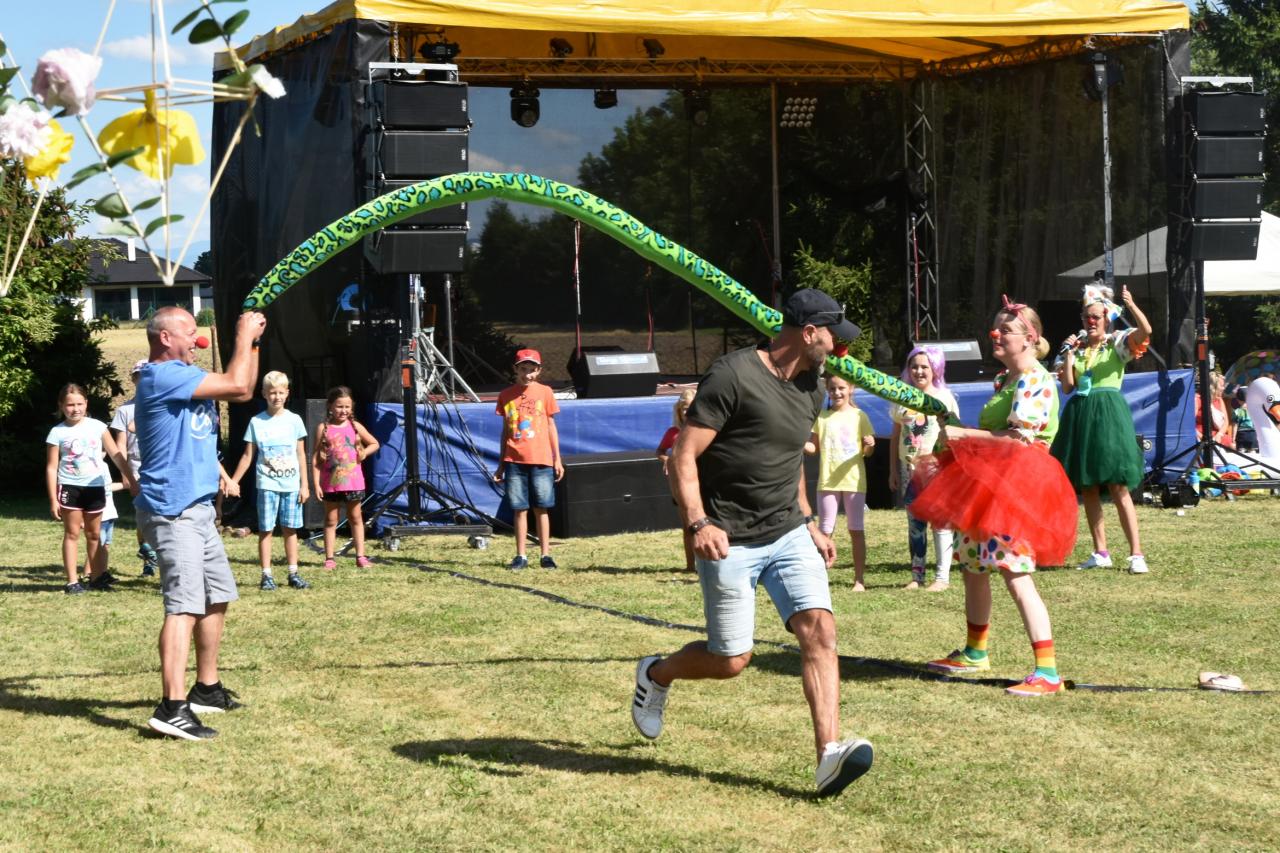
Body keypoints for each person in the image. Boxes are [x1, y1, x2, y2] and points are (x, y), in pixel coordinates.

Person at [631, 288, 874, 798]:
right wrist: (699, 523)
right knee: (730, 660)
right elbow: (683, 457)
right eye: (833, 338)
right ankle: (657, 673)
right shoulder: (733, 375)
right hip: (730, 538)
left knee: (820, 633)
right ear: (808, 333)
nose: (839, 349)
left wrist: (808, 521)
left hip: (787, 531)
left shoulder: (811, 386)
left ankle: (828, 756)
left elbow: (790, 459)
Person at [911, 298, 1077, 697]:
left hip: (1016, 488)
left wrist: (965, 434)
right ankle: (975, 651)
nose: (995, 335)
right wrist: (955, 429)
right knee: (973, 565)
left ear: (1030, 338)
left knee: (1015, 572)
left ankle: (1048, 671)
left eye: (1006, 330)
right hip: (989, 485)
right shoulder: (1007, 379)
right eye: (995, 328)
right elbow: (996, 434)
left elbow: (1020, 441)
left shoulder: (1035, 380)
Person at [136, 306, 265, 740]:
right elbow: (236, 383)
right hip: (173, 510)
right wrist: (241, 334)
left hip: (199, 508)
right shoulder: (162, 376)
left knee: (216, 597)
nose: (197, 339)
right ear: (165, 338)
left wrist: (253, 343)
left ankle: (206, 688)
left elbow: (243, 391)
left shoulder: (185, 375)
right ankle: (171, 707)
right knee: (184, 606)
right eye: (189, 332)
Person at [1051, 284, 1153, 575]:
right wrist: (1069, 355)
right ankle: (1100, 551)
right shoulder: (1077, 348)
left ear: (1107, 318)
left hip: (1108, 415)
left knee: (1118, 484)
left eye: (1096, 316)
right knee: (1088, 486)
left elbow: (1145, 331)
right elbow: (1068, 387)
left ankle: (1136, 554)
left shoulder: (1116, 342)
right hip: (1081, 414)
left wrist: (1131, 305)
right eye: (1087, 317)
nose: (1091, 321)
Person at [45, 383, 134, 594]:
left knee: (94, 535)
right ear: (61, 406)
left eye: (79, 404)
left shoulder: (98, 427)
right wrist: (53, 499)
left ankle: (95, 578)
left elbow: (116, 455)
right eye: (70, 405)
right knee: (72, 533)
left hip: (95, 488)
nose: (75, 409)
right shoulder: (57, 432)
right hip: (70, 488)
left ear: (86, 403)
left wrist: (131, 479)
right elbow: (51, 467)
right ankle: (72, 582)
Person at [230, 371, 311, 591]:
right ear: (264, 394)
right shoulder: (257, 422)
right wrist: (233, 480)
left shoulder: (295, 420)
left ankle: (293, 573)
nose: (277, 397)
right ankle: (266, 575)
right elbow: (248, 456)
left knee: (290, 529)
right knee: (266, 529)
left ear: (287, 393)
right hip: (267, 485)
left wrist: (304, 485)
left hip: (291, 485)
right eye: (272, 393)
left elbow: (301, 454)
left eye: (280, 392)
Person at [887, 345, 958, 591]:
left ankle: (942, 577)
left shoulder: (944, 398)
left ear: (935, 369)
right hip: (909, 470)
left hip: (936, 470)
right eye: (914, 366)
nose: (919, 371)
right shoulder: (902, 398)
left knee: (940, 522)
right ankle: (917, 576)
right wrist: (893, 470)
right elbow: (895, 436)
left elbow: (954, 433)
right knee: (915, 524)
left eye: (924, 367)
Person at [494, 349, 564, 570]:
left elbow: (551, 425)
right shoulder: (506, 395)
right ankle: (521, 555)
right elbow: (506, 431)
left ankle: (545, 555)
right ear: (515, 370)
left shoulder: (545, 392)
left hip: (541, 459)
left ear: (539, 371)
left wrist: (557, 458)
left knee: (541, 507)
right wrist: (501, 464)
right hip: (514, 460)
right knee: (519, 508)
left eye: (532, 370)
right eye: (523, 369)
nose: (528, 374)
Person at [806, 374, 874, 591]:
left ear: (851, 389)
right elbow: (813, 448)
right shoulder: (822, 417)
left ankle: (859, 579)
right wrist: (797, 441)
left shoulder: (859, 416)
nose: (837, 392)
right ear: (827, 390)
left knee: (856, 530)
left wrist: (870, 444)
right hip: (827, 483)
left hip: (853, 482)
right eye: (832, 389)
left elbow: (867, 452)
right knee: (825, 531)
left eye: (841, 388)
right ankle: (818, 578)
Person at [312, 385, 379, 570]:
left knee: (355, 517)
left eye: (347, 407)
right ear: (330, 406)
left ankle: (360, 556)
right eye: (339, 406)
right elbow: (316, 459)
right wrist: (316, 483)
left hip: (353, 483)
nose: (343, 411)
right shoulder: (323, 429)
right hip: (331, 484)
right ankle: (329, 558)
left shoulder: (355, 427)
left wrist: (363, 453)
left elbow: (374, 443)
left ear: (352, 407)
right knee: (330, 520)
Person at [110, 359, 159, 576]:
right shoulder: (125, 410)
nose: (143, 380)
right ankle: (148, 554)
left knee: (159, 512)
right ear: (134, 379)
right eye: (139, 376)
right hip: (137, 467)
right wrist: (125, 473)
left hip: (158, 465)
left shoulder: (161, 405)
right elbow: (120, 445)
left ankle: (156, 553)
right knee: (142, 513)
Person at [656, 388, 697, 571]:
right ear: (679, 410)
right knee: (688, 524)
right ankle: (690, 566)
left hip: (705, 481)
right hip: (682, 483)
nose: (687, 412)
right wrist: (667, 460)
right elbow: (660, 451)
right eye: (684, 408)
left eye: (691, 407)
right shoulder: (673, 433)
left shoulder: (705, 430)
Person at [1196, 371, 1235, 449]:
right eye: (1221, 385)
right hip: (1200, 435)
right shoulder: (1198, 399)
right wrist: (1201, 437)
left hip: (1216, 434)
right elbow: (1189, 424)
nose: (1223, 388)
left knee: (1232, 445)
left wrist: (1219, 435)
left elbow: (1226, 422)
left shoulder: (1219, 400)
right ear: (1213, 386)